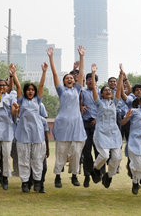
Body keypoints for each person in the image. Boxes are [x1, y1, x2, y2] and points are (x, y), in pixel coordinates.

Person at [47, 45, 86, 188]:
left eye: (71, 78)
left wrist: (82, 56)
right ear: (64, 82)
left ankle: (74, 175)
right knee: (61, 152)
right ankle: (57, 176)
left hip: (76, 125)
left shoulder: (77, 89)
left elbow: (81, 74)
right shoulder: (61, 91)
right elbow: (55, 74)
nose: (70, 79)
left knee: (76, 152)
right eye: (67, 78)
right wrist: (51, 58)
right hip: (63, 125)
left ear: (74, 81)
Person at [11, 63, 47, 193]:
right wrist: (14, 74)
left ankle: (37, 182)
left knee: (37, 159)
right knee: (24, 159)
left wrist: (44, 72)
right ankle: (25, 183)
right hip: (23, 134)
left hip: (37, 134)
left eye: (32, 89)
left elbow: (42, 85)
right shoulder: (21, 101)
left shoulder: (38, 101)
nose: (30, 91)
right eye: (28, 89)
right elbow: (18, 86)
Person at [90, 63, 123, 188]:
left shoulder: (115, 102)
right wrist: (93, 73)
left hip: (114, 132)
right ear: (102, 93)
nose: (108, 91)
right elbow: (93, 88)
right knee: (104, 155)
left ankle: (108, 176)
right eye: (105, 90)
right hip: (101, 132)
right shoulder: (99, 103)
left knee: (117, 157)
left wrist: (120, 75)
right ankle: (95, 169)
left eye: (109, 90)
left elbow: (119, 89)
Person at [80, 69, 101, 187]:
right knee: (86, 150)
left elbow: (104, 107)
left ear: (95, 81)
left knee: (98, 149)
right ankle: (87, 174)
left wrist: (98, 119)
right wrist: (81, 107)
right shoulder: (82, 92)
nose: (89, 82)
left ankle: (97, 171)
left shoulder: (101, 92)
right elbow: (80, 103)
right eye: (87, 80)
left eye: (91, 80)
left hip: (97, 123)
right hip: (85, 123)